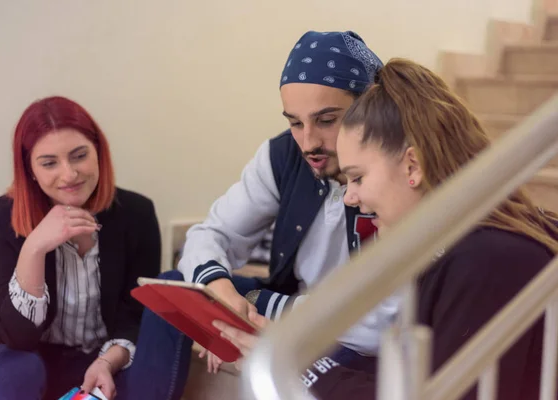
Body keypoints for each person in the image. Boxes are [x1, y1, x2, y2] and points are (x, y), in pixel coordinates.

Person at [213, 58, 558, 400]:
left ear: (413, 164)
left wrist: (303, 367)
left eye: (358, 177)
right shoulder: (465, 248)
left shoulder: (488, 260)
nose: (349, 197)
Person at [139, 30, 400, 399]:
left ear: (368, 108)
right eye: (295, 123)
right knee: (170, 289)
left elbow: (382, 319)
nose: (308, 142)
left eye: (326, 120)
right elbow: (209, 235)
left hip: (354, 335)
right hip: (291, 309)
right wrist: (223, 294)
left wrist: (265, 308)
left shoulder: (398, 175)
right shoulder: (282, 156)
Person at [0, 96, 165, 400]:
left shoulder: (137, 214)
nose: (69, 175)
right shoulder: (3, 216)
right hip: (19, 354)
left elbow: (134, 315)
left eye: (79, 155)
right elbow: (18, 337)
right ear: (30, 169)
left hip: (100, 355)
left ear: (99, 153)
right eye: (49, 163)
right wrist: (35, 246)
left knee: (152, 369)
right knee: (21, 369)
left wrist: (108, 361)